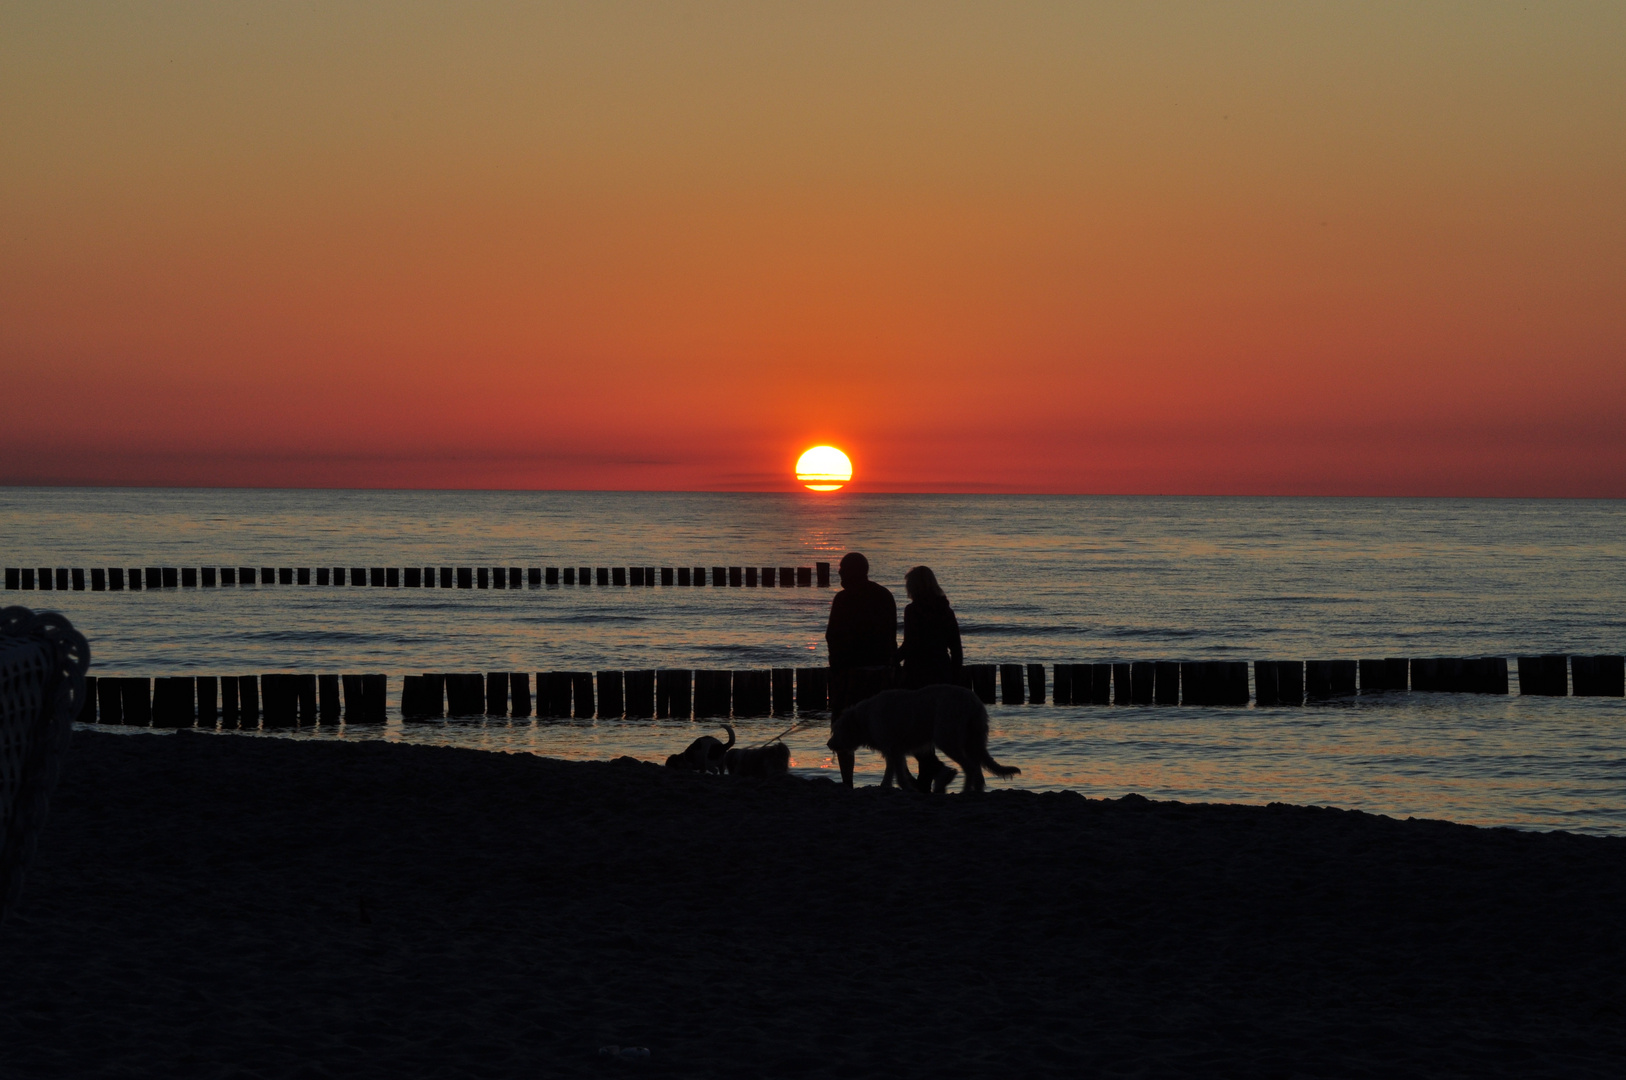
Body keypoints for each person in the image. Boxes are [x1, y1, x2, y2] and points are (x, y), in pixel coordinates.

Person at [824, 552, 896, 711]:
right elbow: (891, 635)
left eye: (843, 568)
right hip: (881, 672)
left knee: (847, 725)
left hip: (852, 675)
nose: (839, 572)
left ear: (853, 571)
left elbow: (832, 636)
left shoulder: (843, 598)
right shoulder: (885, 595)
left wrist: (836, 670)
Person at [896, 565, 963, 690]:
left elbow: (910, 644)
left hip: (917, 672)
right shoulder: (946, 610)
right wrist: (955, 677)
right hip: (941, 670)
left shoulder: (912, 610)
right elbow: (956, 649)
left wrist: (892, 660)